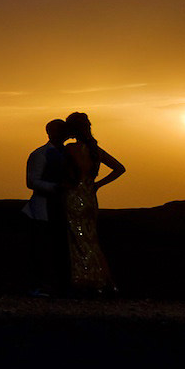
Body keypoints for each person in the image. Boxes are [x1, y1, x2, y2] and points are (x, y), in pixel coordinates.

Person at [61, 111, 124, 295]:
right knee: (92, 239)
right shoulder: (96, 151)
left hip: (74, 197)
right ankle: (106, 281)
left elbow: (65, 174)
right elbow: (119, 168)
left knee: (77, 240)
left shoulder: (69, 149)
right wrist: (98, 185)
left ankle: (85, 279)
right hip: (90, 197)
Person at [21, 118, 71, 295]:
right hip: (43, 208)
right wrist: (56, 187)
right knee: (42, 249)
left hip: (60, 206)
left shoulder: (67, 154)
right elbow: (31, 181)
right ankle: (40, 285)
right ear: (49, 133)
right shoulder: (40, 154)